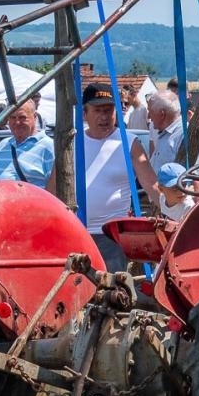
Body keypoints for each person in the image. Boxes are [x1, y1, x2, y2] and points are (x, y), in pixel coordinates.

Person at [79, 84, 133, 270]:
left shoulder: (129, 143)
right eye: (97, 110)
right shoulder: (72, 143)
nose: (104, 117)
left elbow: (152, 185)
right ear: (85, 114)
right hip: (77, 233)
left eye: (108, 110)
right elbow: (53, 190)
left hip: (112, 236)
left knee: (112, 293)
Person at [0, 99, 55, 189]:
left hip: (34, 203)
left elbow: (54, 193)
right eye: (12, 117)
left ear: (35, 117)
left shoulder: (49, 147)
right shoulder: (2, 146)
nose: (17, 122)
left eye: (22, 117)